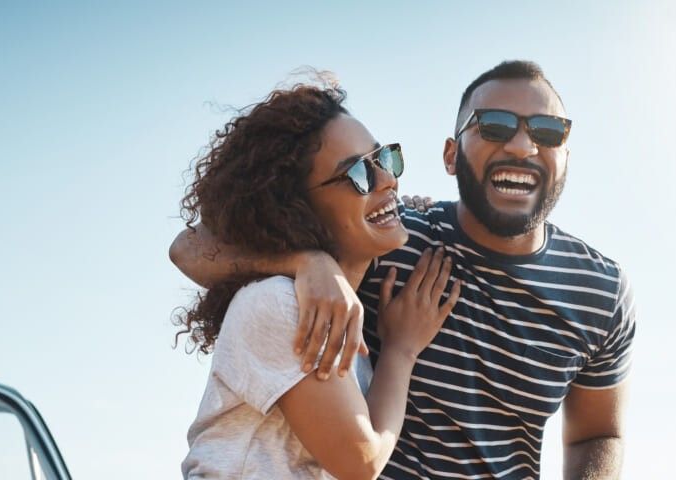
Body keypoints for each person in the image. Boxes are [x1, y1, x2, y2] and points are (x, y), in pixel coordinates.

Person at [171, 61, 636, 480]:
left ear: (567, 156)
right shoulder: (379, 242)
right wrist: (306, 261)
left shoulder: (602, 291)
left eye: (548, 131)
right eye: (493, 127)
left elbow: (597, 436)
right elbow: (191, 247)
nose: (522, 146)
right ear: (451, 156)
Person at [174, 78, 461, 479]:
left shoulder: (331, 314)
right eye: (359, 174)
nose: (387, 181)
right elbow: (361, 462)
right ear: (297, 207)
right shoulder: (278, 303)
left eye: (385, 160)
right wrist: (401, 350)